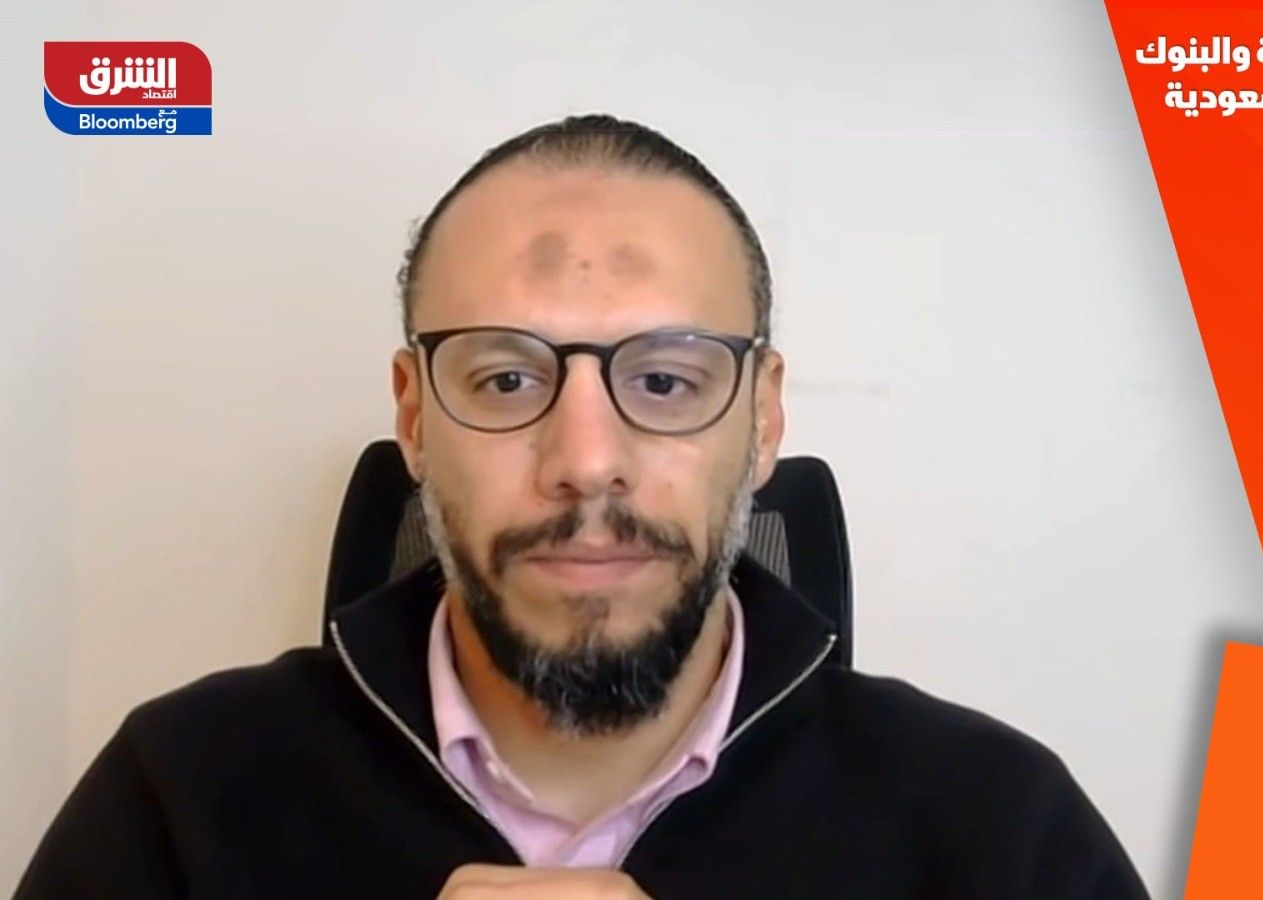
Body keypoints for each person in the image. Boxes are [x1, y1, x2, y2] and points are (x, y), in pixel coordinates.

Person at [16, 114, 1149, 899]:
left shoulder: (997, 830)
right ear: (414, 418)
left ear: (762, 419)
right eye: (508, 379)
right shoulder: (178, 800)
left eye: (667, 380)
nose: (587, 461)